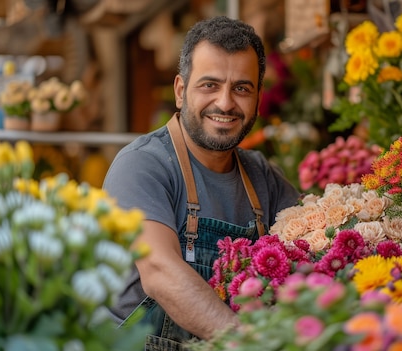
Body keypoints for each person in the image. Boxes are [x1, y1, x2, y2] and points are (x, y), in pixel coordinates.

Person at [103, 15, 301, 350]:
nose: (225, 103)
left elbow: (314, 243)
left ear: (257, 97)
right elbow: (160, 272)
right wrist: (250, 343)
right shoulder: (142, 165)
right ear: (181, 91)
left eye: (241, 88)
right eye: (210, 85)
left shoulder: (262, 176)